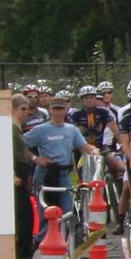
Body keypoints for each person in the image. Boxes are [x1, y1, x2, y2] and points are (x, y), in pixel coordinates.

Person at [22, 91, 90, 223]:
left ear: (66, 110)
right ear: (50, 110)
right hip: (46, 173)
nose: (58, 112)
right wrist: (35, 159)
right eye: (55, 109)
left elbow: (85, 147)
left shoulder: (72, 129)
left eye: (61, 109)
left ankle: (65, 240)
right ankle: (43, 240)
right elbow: (20, 144)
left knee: (67, 213)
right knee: (46, 213)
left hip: (64, 174)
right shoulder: (40, 129)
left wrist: (95, 152)